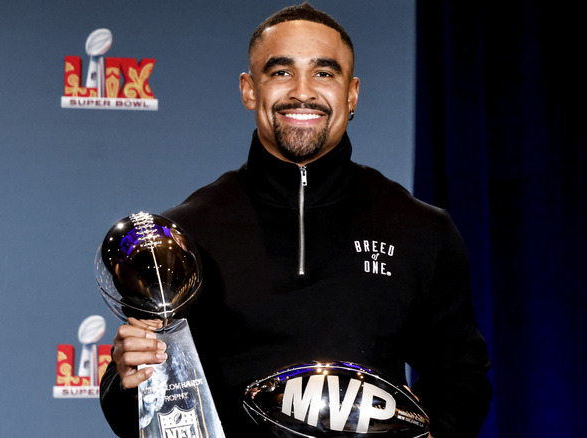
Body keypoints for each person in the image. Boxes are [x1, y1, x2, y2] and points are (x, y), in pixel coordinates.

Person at [100, 3, 492, 437]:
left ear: (352, 93)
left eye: (324, 73)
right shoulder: (185, 238)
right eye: (281, 72)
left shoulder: (421, 229)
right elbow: (141, 406)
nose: (302, 92)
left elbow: (462, 377)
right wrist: (129, 379)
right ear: (250, 90)